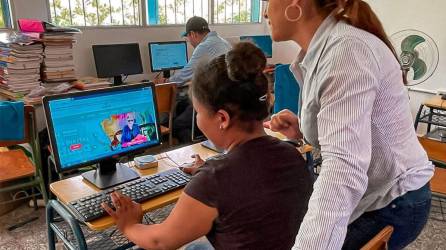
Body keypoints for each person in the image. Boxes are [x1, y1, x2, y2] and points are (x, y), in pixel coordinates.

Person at [101, 42, 313, 249]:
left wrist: (129, 225)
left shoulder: (215, 179)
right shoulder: (291, 153)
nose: (198, 120)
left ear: (222, 118)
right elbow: (251, 180)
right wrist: (211, 168)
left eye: (198, 112)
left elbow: (160, 241)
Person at [263, 0, 434, 249]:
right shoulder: (325, 49)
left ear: (296, 3)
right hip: (382, 194)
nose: (266, 10)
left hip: (397, 200)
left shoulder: (347, 50)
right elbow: (352, 131)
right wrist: (302, 129)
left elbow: (344, 166)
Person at [155, 16, 232, 143]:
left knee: (173, 126)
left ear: (193, 34)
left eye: (188, 37)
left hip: (215, 101)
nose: (189, 41)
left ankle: (192, 146)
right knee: (182, 104)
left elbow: (185, 75)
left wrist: (165, 82)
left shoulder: (204, 46)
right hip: (227, 98)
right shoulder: (223, 42)